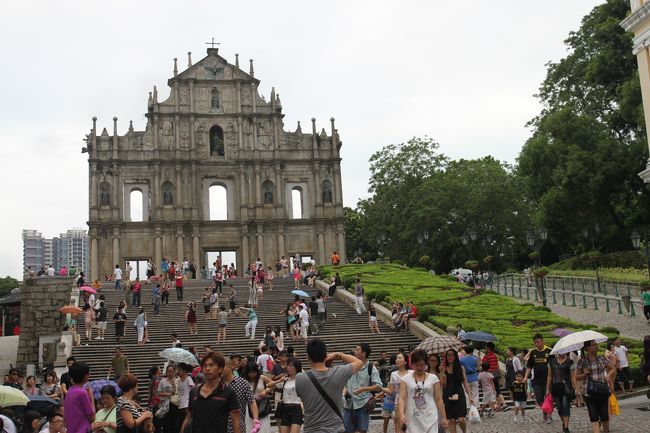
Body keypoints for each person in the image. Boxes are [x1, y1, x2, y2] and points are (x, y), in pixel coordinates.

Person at [295, 339, 363, 433]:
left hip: (311, 429)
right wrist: (338, 355)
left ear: (308, 357)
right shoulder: (338, 373)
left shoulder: (300, 378)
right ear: (326, 356)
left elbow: (301, 397)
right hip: (335, 429)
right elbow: (359, 362)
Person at [182, 352, 241, 433]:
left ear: (220, 368)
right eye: (205, 366)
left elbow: (236, 422)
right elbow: (188, 416)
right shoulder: (194, 391)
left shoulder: (229, 392)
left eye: (211, 365)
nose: (207, 368)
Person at [397, 349, 447, 433]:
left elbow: (439, 399)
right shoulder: (405, 379)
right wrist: (401, 414)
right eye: (416, 365)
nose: (419, 368)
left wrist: (444, 417)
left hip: (430, 416)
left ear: (426, 364)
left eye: (422, 365)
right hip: (412, 418)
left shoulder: (433, 379)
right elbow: (402, 398)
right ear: (412, 364)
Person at [576, 340, 616, 433]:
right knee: (593, 416)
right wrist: (584, 374)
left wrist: (608, 376)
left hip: (602, 390)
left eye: (596, 344)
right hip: (588, 392)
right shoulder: (582, 361)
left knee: (604, 415)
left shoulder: (602, 359)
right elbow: (576, 377)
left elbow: (613, 368)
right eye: (593, 345)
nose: (596, 346)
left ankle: (606, 430)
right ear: (587, 348)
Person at [342, 343, 382, 433]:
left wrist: (363, 389)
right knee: (346, 430)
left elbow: (379, 385)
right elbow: (344, 384)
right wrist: (344, 391)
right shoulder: (350, 366)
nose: (354, 351)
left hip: (363, 404)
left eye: (357, 349)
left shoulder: (371, 368)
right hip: (348, 404)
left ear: (363, 353)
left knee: (362, 430)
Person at [266, 358, 303, 433]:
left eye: (291, 366)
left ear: (297, 368)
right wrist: (279, 380)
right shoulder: (285, 380)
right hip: (285, 409)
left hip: (296, 409)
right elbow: (268, 385)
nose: (288, 368)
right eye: (288, 366)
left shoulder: (301, 380)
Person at [440, 349, 472, 433]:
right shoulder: (443, 368)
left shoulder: (461, 368)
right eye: (448, 355)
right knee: (451, 420)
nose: (450, 357)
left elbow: (465, 382)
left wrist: (470, 395)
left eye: (452, 355)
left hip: (459, 394)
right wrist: (442, 375)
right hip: (448, 395)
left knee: (461, 419)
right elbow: (444, 386)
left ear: (455, 356)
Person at [524, 333, 553, 424]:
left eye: (538, 342)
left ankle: (549, 415)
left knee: (548, 398)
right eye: (534, 343)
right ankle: (545, 411)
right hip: (536, 380)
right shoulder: (533, 353)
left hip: (548, 380)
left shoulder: (549, 351)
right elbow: (529, 366)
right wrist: (525, 377)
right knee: (539, 400)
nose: (536, 344)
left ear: (542, 341)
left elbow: (553, 366)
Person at [546, 351, 576, 433]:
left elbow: (573, 376)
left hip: (566, 388)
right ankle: (563, 423)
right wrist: (547, 389)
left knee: (565, 406)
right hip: (555, 388)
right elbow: (549, 376)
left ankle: (566, 428)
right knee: (559, 408)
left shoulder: (569, 361)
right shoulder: (551, 361)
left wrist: (575, 388)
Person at [241, 362, 273, 433]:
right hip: (249, 408)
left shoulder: (262, 378)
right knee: (250, 427)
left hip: (262, 407)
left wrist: (266, 390)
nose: (252, 375)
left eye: (254, 372)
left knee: (263, 428)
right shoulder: (244, 381)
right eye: (250, 373)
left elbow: (273, 385)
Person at [64, 362, 95, 433]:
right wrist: (91, 397)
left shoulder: (70, 391)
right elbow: (92, 417)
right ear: (85, 376)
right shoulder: (82, 392)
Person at [386, 353, 409, 433]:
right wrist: (380, 388)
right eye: (396, 358)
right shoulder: (393, 374)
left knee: (411, 424)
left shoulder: (412, 373)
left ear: (406, 361)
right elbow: (391, 390)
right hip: (398, 402)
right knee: (400, 424)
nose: (397, 360)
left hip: (410, 401)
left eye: (399, 358)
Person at [156, 366, 178, 433]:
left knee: (174, 423)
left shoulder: (177, 380)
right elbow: (158, 393)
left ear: (174, 372)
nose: (170, 373)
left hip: (174, 404)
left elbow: (176, 393)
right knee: (166, 423)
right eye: (168, 371)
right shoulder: (163, 381)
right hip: (165, 405)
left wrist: (174, 385)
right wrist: (167, 394)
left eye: (171, 371)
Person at [176, 363, 195, 432]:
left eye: (179, 370)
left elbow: (194, 389)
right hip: (181, 405)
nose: (178, 371)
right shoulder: (179, 380)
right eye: (177, 370)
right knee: (180, 424)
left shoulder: (188, 379)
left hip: (186, 405)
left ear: (184, 371)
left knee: (185, 425)